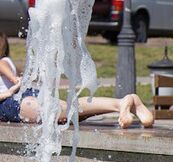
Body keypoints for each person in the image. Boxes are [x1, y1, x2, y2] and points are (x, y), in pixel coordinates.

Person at [0, 32, 153, 128]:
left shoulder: (2, 62)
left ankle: (123, 104)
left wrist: (9, 92)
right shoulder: (6, 60)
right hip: (20, 98)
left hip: (10, 103)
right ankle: (123, 103)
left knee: (68, 112)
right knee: (72, 111)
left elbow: (15, 81)